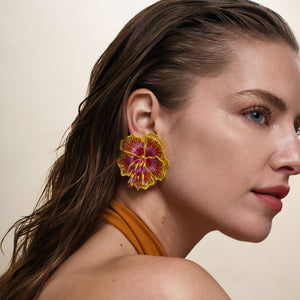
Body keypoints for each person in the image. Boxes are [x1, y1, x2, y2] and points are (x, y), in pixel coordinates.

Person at [1, 0, 300, 299]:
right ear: (146, 119)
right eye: (257, 114)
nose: (294, 158)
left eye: (297, 127)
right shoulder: (171, 290)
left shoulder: (60, 278)